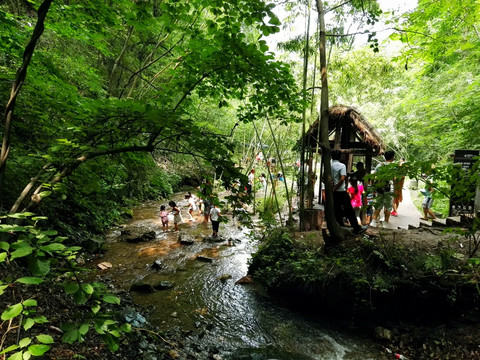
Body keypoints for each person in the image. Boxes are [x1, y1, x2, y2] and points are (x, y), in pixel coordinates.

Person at [331, 150, 366, 235]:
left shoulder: (329, 165)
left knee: (336, 209)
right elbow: (342, 178)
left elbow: (325, 178)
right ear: (339, 157)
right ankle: (356, 228)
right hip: (341, 191)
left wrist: (332, 187)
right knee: (349, 210)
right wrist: (336, 187)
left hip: (333, 192)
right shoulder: (342, 165)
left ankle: (339, 225)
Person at [370, 150, 395, 228]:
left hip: (380, 188)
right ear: (392, 157)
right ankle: (385, 223)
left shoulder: (379, 165)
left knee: (378, 205)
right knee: (388, 207)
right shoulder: (393, 166)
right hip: (389, 189)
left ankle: (373, 221)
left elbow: (373, 177)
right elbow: (395, 179)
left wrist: (374, 186)